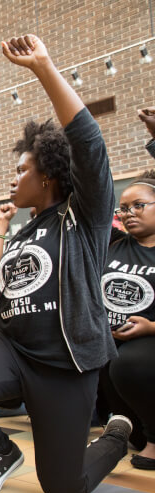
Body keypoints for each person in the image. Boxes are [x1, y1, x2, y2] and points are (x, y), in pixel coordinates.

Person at [0, 35, 132, 493]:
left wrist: (43, 67)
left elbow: (89, 143)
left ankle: (116, 438)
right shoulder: (23, 230)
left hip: (65, 364)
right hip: (12, 346)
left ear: (49, 175)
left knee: (63, 489)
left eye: (21, 169)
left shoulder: (85, 217)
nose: (13, 178)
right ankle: (1, 452)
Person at [102, 172, 155, 469]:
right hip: (109, 339)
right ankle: (128, 428)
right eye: (123, 208)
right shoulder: (115, 245)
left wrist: (149, 327)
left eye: (139, 205)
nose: (128, 213)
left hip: (148, 339)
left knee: (129, 362)